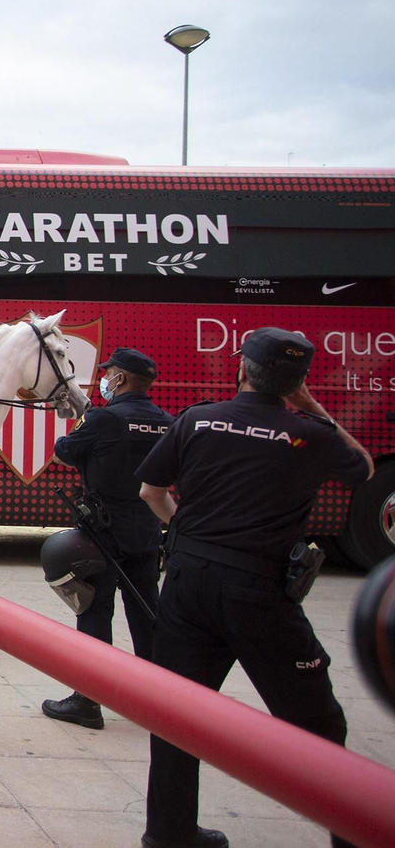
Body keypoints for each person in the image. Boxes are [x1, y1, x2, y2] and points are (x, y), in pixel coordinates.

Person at [137, 328, 373, 848]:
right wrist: (308, 403)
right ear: (297, 380)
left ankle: (168, 833)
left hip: (188, 583)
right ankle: (354, 833)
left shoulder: (197, 419)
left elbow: (151, 490)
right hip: (260, 590)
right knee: (318, 725)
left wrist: (185, 536)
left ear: (241, 367)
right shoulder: (312, 434)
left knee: (178, 712)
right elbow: (364, 470)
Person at [42, 347, 173, 730]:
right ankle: (159, 701)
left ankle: (88, 700)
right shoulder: (167, 421)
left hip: (104, 531)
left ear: (122, 379)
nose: (105, 378)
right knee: (147, 613)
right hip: (148, 530)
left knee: (96, 612)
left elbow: (66, 450)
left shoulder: (105, 418)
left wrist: (87, 427)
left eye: (109, 373)